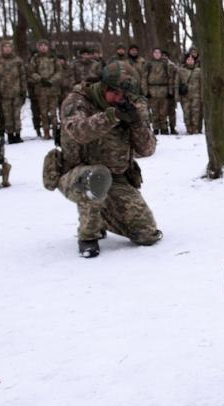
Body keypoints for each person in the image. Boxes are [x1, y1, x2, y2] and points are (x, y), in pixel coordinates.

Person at [54, 61, 161, 258]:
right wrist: (110, 117)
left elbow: (147, 150)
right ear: (103, 87)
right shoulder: (77, 101)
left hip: (117, 177)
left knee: (147, 234)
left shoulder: (131, 104)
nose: (119, 99)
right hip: (78, 174)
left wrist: (136, 123)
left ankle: (104, 215)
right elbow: (79, 132)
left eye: (124, 95)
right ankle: (88, 235)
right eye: (115, 93)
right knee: (97, 177)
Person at [0, 41, 27, 144]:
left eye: (9, 47)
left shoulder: (17, 61)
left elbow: (23, 76)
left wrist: (23, 90)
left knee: (16, 115)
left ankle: (18, 134)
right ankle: (10, 135)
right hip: (4, 93)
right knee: (7, 116)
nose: (7, 49)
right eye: (5, 47)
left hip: (17, 92)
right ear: (2, 49)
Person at [28, 39, 61, 139]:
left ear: (48, 47)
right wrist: (40, 79)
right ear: (38, 47)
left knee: (53, 112)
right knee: (43, 113)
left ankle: (56, 131)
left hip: (53, 89)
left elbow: (59, 72)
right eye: (41, 45)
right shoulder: (35, 59)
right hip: (41, 89)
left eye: (45, 45)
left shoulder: (53, 58)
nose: (43, 47)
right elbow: (31, 72)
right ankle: (46, 132)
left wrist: (51, 81)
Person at [145, 47, 173, 134]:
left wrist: (170, 91)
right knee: (154, 111)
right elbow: (144, 78)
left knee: (163, 111)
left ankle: (164, 128)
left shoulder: (165, 64)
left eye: (158, 53)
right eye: (155, 53)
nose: (157, 54)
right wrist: (146, 91)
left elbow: (170, 78)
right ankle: (156, 128)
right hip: (152, 90)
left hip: (163, 90)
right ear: (153, 54)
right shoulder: (148, 64)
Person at [177, 53, 202, 134]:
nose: (190, 61)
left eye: (192, 59)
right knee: (186, 113)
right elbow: (177, 83)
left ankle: (195, 129)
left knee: (196, 113)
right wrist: (177, 96)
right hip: (185, 96)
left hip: (196, 95)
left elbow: (202, 84)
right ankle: (189, 128)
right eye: (188, 59)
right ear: (186, 61)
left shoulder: (198, 71)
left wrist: (202, 96)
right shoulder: (181, 70)